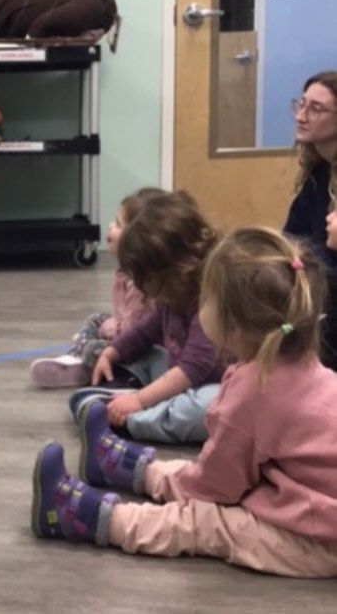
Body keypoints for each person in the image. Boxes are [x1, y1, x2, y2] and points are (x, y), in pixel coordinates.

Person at [31, 227, 337, 578]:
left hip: (319, 540)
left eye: (205, 298)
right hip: (312, 500)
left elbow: (216, 488)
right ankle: (125, 467)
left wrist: (186, 488)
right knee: (199, 474)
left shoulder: (254, 392)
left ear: (233, 325)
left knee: (204, 522)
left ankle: (80, 515)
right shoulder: (302, 362)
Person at [69, 191, 226, 444]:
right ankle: (116, 393)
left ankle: (128, 421)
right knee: (145, 353)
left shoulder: (208, 304)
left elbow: (191, 370)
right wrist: (112, 352)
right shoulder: (171, 296)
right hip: (178, 376)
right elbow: (146, 331)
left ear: (171, 271)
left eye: (145, 279)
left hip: (210, 386)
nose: (142, 288)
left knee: (206, 408)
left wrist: (139, 401)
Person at [29, 188, 162, 388]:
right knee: (95, 318)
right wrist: (109, 324)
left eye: (118, 224)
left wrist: (110, 330)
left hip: (137, 345)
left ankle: (84, 366)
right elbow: (121, 314)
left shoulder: (142, 286)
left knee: (93, 347)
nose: (110, 226)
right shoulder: (124, 272)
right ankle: (73, 359)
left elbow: (135, 332)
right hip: (122, 329)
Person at [284, 70, 337, 370]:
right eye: (301, 105)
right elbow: (292, 237)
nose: (301, 116)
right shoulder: (319, 174)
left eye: (315, 109)